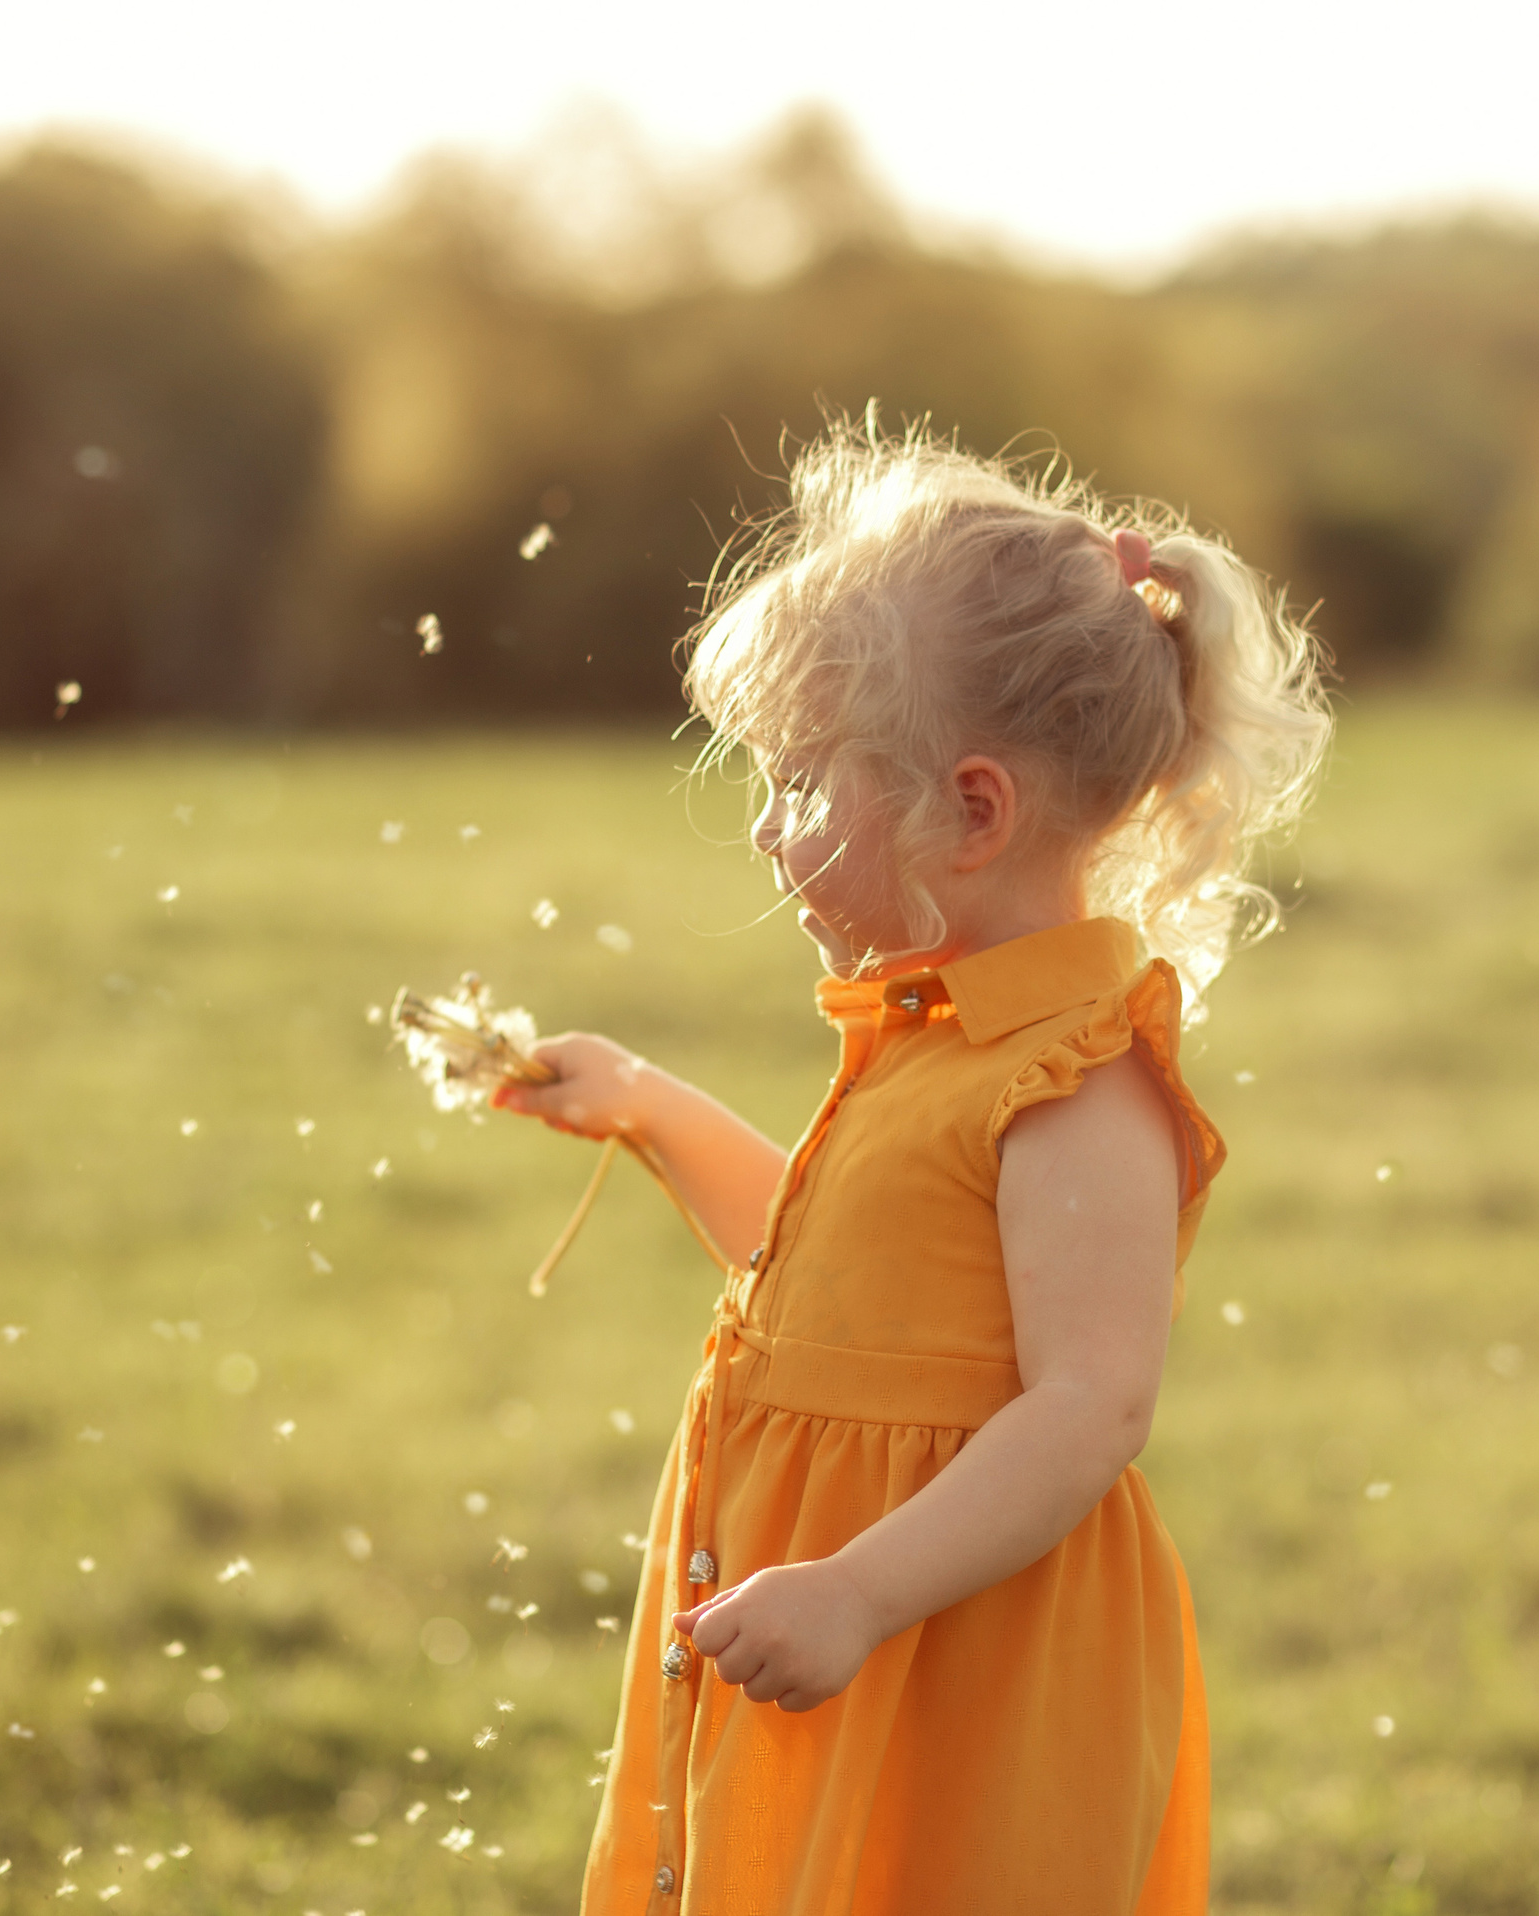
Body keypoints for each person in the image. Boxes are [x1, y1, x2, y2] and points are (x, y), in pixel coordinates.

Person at [493, 415, 1331, 1914]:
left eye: (805, 784)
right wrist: (652, 1107)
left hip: (959, 1651)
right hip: (844, 1618)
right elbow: (831, 1297)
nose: (762, 831)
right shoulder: (934, 1034)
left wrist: (859, 1590)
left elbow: (1092, 1408)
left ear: (974, 809)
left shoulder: (1072, 1084)